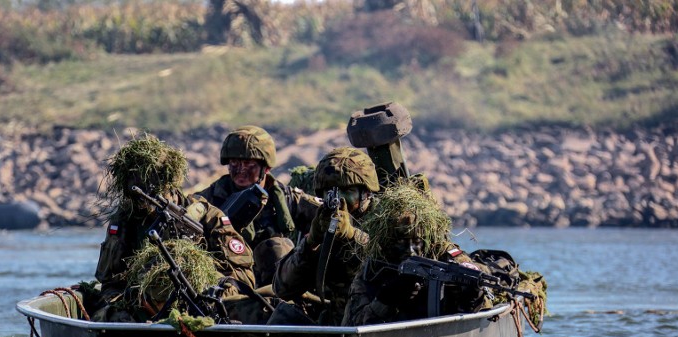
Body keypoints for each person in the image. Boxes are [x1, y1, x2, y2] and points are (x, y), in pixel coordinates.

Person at [91, 134, 255, 322]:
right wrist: (134, 295)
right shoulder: (125, 220)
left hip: (203, 303)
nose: (144, 201)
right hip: (144, 309)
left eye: (152, 190)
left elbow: (244, 279)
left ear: (169, 183)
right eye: (138, 194)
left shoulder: (208, 216)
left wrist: (200, 272)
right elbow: (110, 284)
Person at [341, 176, 491, 326]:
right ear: (387, 242)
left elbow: (483, 308)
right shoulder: (376, 266)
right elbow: (350, 325)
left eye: (417, 242)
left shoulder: (443, 253)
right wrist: (387, 299)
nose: (410, 251)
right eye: (401, 242)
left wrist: (472, 290)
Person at [192, 125, 319, 287]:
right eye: (234, 163)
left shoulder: (286, 198)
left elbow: (326, 220)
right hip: (230, 282)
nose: (240, 170)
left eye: (248, 164)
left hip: (279, 285)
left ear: (266, 168)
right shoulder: (209, 200)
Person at [272, 147, 380, 324]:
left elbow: (391, 267)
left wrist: (352, 235)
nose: (338, 199)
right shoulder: (323, 219)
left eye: (347, 190)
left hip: (375, 322)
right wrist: (311, 242)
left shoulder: (385, 218)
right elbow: (283, 288)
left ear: (366, 193)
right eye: (329, 191)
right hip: (336, 321)